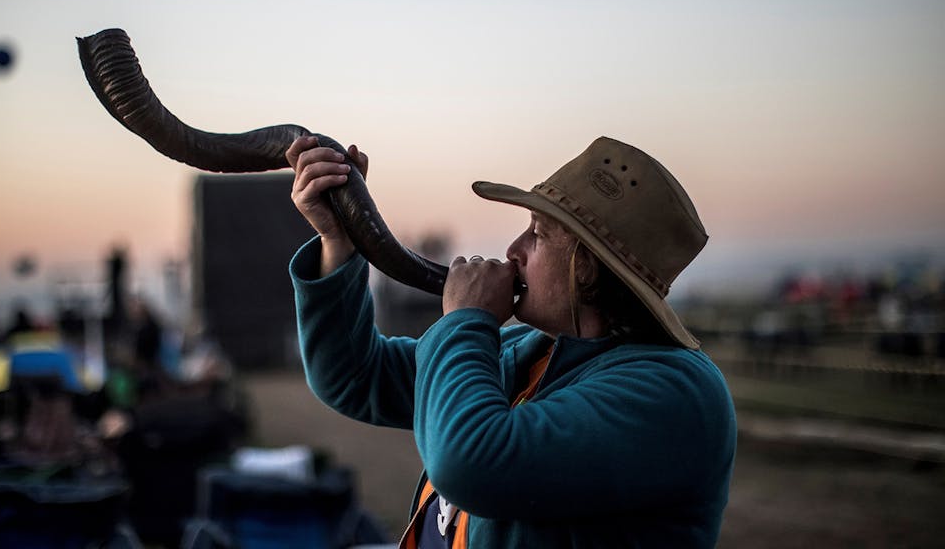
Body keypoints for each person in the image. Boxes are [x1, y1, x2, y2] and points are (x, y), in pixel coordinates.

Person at [286, 135, 736, 548]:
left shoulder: (675, 394)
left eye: (538, 235)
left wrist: (467, 319)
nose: (514, 250)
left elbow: (471, 463)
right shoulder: (525, 348)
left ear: (588, 268)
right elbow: (354, 375)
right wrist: (338, 242)